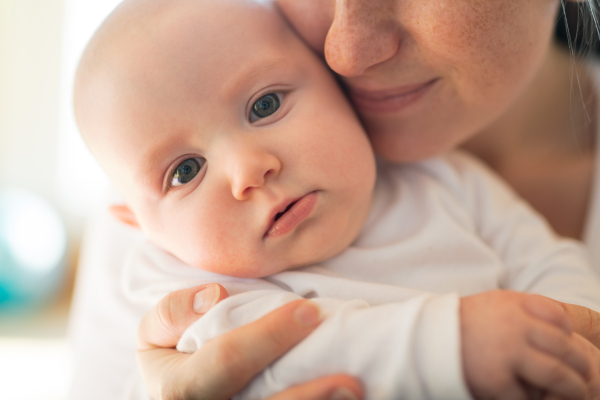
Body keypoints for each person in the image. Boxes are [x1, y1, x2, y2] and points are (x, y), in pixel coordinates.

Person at [72, 0, 600, 399]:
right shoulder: (180, 273)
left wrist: (567, 341)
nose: (345, 51)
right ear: (137, 221)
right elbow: (286, 351)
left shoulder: (443, 180)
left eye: (266, 105)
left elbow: (546, 260)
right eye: (186, 171)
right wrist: (455, 343)